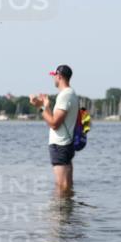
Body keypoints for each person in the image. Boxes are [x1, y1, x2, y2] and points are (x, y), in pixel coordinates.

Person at [31, 64, 79, 196]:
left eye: (54, 76)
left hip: (60, 145)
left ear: (59, 76)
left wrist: (41, 107)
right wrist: (46, 106)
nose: (53, 79)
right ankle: (68, 214)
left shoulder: (65, 96)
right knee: (66, 186)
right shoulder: (71, 94)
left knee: (61, 186)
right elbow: (59, 120)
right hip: (66, 144)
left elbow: (54, 123)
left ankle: (59, 215)